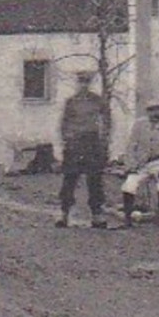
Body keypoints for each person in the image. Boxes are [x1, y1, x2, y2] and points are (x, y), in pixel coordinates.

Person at [56, 70, 111, 229]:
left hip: (92, 142)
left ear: (90, 83)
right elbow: (64, 124)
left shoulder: (98, 101)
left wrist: (104, 141)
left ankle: (97, 214)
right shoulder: (71, 102)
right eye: (81, 82)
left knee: (94, 179)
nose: (83, 85)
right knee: (69, 179)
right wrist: (66, 140)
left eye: (86, 82)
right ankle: (64, 213)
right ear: (77, 83)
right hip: (74, 143)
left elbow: (106, 121)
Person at [120, 101, 159, 227]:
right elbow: (131, 146)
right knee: (129, 184)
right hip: (141, 163)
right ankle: (127, 218)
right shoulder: (139, 125)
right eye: (151, 110)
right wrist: (131, 164)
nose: (155, 113)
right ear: (147, 112)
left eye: (157, 110)